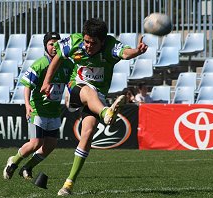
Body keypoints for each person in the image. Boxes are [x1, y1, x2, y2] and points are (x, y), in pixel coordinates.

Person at [40, 18, 147, 196]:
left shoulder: (111, 46)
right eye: (86, 41)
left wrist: (137, 51)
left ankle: (68, 184)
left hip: (97, 97)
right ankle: (106, 113)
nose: (89, 46)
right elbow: (57, 57)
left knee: (87, 134)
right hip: (75, 89)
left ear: (103, 41)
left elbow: (126, 53)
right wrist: (46, 82)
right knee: (89, 90)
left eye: (93, 43)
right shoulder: (74, 41)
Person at [3, 32, 74, 180]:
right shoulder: (40, 64)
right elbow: (27, 86)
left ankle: (27, 167)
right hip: (38, 111)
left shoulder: (67, 64)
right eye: (50, 43)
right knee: (36, 143)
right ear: (45, 46)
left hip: (54, 112)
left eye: (56, 43)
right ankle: (13, 162)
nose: (54, 47)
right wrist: (27, 105)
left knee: (50, 145)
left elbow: (71, 83)